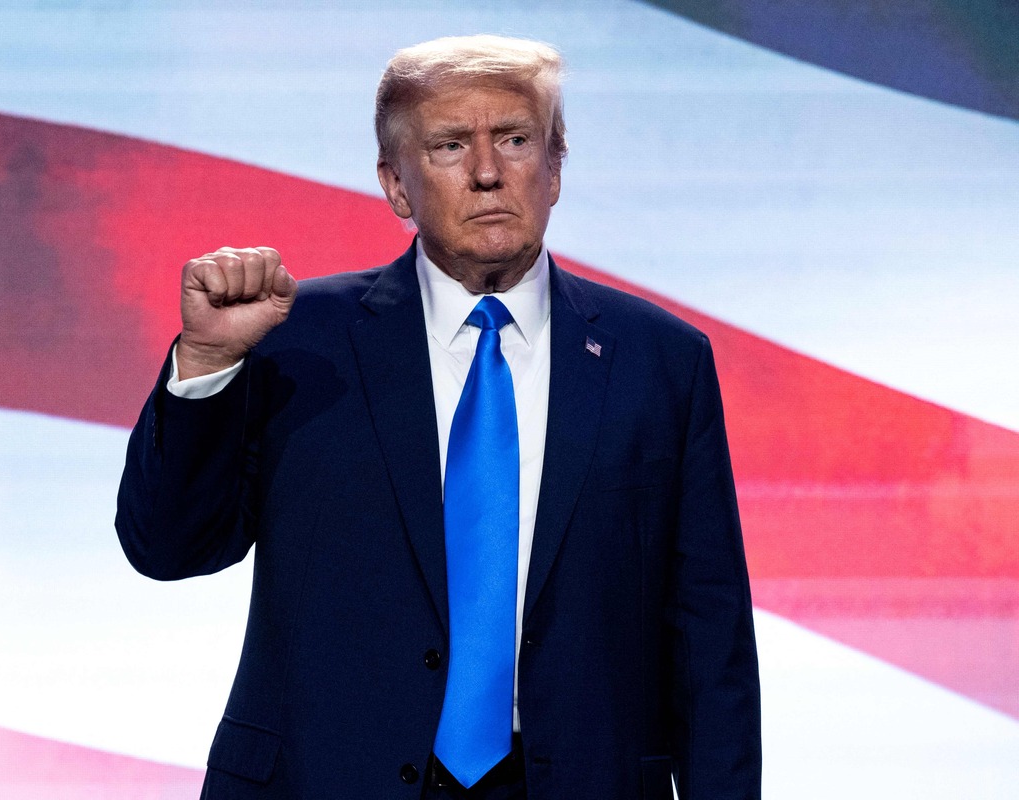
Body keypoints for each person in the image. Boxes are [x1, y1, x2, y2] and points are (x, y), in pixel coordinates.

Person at [116, 34, 760, 800]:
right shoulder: (296, 341)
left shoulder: (660, 361)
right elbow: (168, 546)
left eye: (516, 140)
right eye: (451, 146)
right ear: (396, 185)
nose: (488, 172)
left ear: (555, 168)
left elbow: (708, 638)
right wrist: (208, 363)